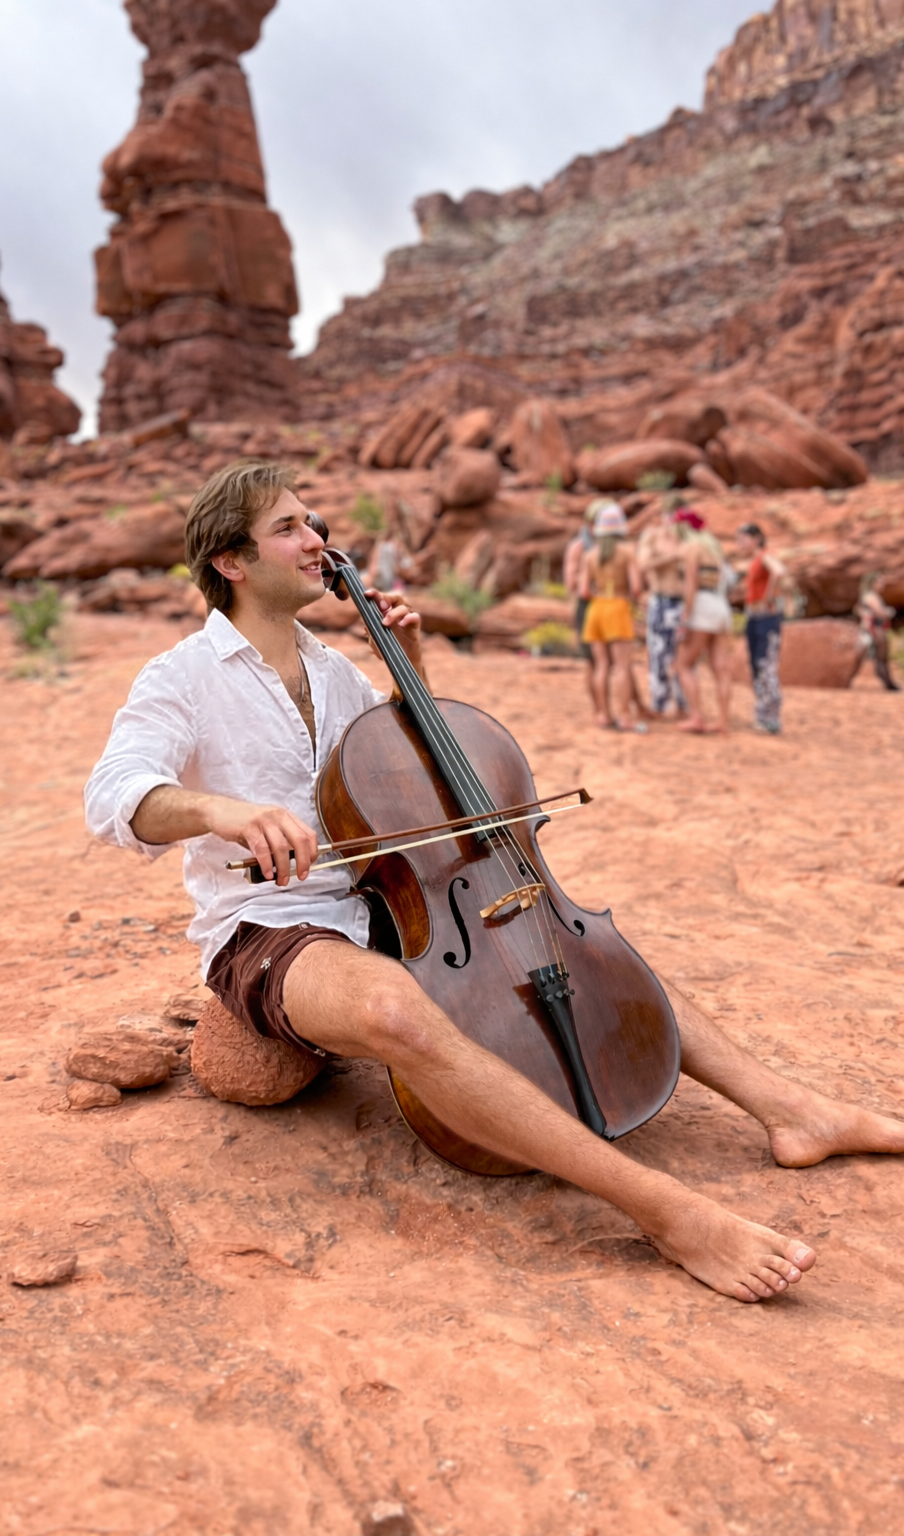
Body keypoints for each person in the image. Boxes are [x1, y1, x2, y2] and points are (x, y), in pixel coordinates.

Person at [85, 460, 904, 1304]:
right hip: (274, 927)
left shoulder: (335, 672)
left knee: (578, 945)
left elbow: (406, 777)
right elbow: (114, 795)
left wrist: (413, 669)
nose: (317, 540)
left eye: (314, 522)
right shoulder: (180, 676)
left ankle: (790, 1109)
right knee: (396, 1012)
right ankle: (664, 1210)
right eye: (290, 527)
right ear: (231, 559)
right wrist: (222, 811)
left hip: (385, 901)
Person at [578, 501, 645, 732]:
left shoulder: (590, 554)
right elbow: (636, 588)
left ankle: (603, 714)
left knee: (601, 665)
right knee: (622, 666)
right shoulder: (628, 552)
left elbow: (583, 591)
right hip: (617, 606)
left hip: (596, 609)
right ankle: (625, 715)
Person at [675, 509, 734, 734]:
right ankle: (723, 721)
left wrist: (686, 616)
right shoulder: (713, 549)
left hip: (702, 606)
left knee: (683, 664)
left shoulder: (692, 548)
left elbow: (691, 584)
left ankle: (696, 716)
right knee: (721, 667)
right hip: (721, 606)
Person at [735, 522, 786, 734]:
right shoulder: (754, 561)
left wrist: (768, 597)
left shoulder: (764, 555)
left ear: (756, 538)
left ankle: (771, 717)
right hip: (754, 616)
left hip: (765, 616)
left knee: (765, 663)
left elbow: (779, 571)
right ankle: (763, 714)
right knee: (757, 663)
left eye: (743, 539)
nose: (740, 544)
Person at [637, 507, 687, 718]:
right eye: (668, 516)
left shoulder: (685, 539)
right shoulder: (651, 537)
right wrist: (672, 558)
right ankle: (660, 702)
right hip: (660, 600)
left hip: (682, 602)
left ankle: (683, 703)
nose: (670, 522)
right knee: (658, 653)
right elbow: (643, 564)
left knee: (683, 654)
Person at [564, 503, 598, 719]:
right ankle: (599, 710)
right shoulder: (579, 546)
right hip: (588, 606)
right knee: (594, 661)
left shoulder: (607, 545)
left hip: (606, 605)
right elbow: (571, 582)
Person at [853, 577, 900, 692]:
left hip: (874, 629)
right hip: (874, 629)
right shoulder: (871, 596)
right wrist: (890, 612)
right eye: (879, 582)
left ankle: (888, 683)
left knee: (879, 658)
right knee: (881, 658)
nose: (882, 585)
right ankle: (889, 684)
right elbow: (880, 612)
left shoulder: (869, 595)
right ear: (873, 583)